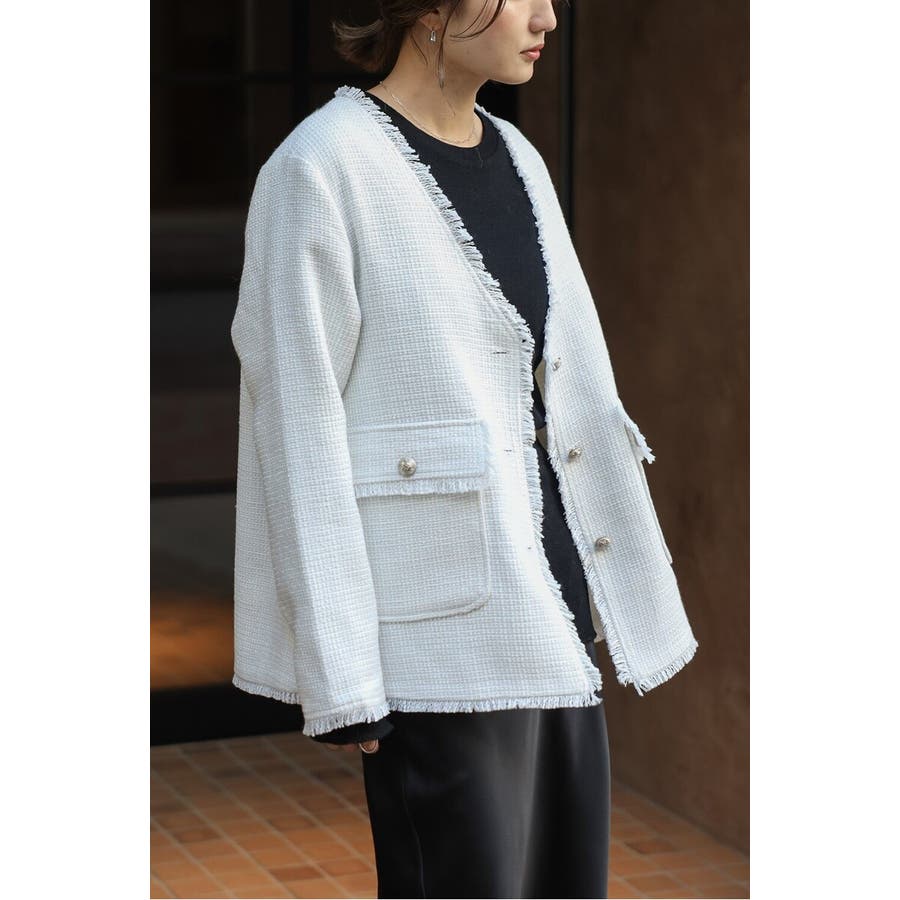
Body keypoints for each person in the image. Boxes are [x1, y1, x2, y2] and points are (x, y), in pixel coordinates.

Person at [229, 2, 698, 897]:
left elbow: (568, 384)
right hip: (436, 649)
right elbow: (296, 432)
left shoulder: (518, 156)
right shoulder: (319, 169)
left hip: (556, 617)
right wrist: (343, 676)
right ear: (430, 10)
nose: (546, 16)